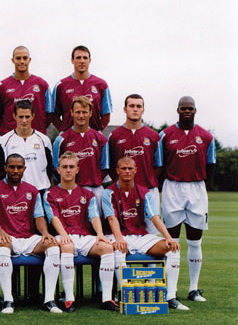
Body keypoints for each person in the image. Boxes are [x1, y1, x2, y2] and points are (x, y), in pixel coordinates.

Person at [103, 157, 185, 310]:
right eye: (123, 168)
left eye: (130, 168)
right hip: (117, 235)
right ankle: (125, 293)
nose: (127, 171)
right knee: (118, 249)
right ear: (117, 170)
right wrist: (119, 238)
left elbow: (154, 217)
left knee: (173, 248)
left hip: (140, 236)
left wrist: (168, 238)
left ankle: (170, 296)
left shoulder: (145, 193)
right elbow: (111, 218)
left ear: (135, 170)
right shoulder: (108, 193)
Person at [43, 151, 119, 312]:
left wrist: (99, 235)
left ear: (78, 169)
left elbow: (94, 216)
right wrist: (63, 235)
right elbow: (53, 217)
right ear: (58, 170)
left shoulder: (88, 194)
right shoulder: (50, 194)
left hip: (84, 236)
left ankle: (107, 298)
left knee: (107, 248)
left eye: (71, 167)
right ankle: (69, 298)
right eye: (65, 167)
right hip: (62, 235)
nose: (68, 170)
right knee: (67, 246)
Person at [158, 96, 215, 303]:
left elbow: (210, 166)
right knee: (172, 241)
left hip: (196, 188)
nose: (187, 111)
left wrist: (196, 181)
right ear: (178, 110)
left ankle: (193, 288)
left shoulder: (206, 137)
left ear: (195, 110)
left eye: (190, 108)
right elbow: (159, 165)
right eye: (184, 108)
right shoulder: (164, 135)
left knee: (194, 240)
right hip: (172, 187)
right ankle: (170, 291)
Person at [0, 154, 62, 313]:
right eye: (12, 167)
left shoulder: (32, 190)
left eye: (19, 167)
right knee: (2, 246)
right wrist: (0, 232)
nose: (15, 171)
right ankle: (8, 300)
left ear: (24, 168)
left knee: (53, 246)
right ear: (5, 168)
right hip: (8, 237)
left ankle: (49, 300)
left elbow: (39, 216)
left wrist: (44, 232)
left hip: (28, 238)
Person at [107, 94, 161, 233]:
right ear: (125, 109)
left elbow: (159, 166)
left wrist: (146, 182)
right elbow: (111, 167)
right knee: (124, 233)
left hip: (148, 190)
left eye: (139, 106)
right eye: (132, 106)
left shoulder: (154, 136)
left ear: (143, 110)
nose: (135, 109)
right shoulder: (114, 136)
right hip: (123, 193)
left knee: (152, 234)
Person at [53, 96, 108, 210]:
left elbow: (104, 168)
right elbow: (56, 169)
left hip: (95, 190)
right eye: (78, 112)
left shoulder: (101, 139)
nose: (81, 116)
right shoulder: (61, 139)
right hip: (70, 190)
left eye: (84, 112)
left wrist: (92, 182)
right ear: (72, 113)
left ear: (90, 113)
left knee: (97, 225)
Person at [48, 45, 112, 132]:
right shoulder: (61, 85)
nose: (82, 61)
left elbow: (106, 116)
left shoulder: (101, 84)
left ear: (90, 60)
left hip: (93, 140)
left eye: (85, 58)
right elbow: (54, 116)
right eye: (78, 58)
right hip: (69, 140)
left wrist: (96, 132)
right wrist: (65, 132)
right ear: (72, 60)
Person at [0, 46, 50, 135]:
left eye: (25, 58)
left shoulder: (42, 84)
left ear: (29, 60)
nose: (22, 61)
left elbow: (49, 114)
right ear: (13, 60)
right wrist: (9, 132)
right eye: (18, 58)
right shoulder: (1, 86)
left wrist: (38, 130)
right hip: (10, 137)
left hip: (36, 137)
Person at [0, 100, 53, 193]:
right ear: (14, 116)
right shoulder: (4, 140)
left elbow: (49, 168)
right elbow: (2, 169)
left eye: (27, 117)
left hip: (40, 190)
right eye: (21, 117)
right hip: (14, 191)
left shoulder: (44, 140)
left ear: (33, 116)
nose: (24, 121)